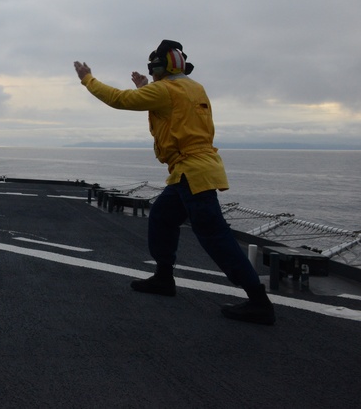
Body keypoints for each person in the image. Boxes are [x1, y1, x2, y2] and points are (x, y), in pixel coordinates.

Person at [73, 40, 275, 325]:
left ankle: (258, 301)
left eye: (153, 68)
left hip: (192, 173)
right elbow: (174, 112)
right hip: (192, 171)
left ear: (160, 68)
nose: (152, 72)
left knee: (215, 236)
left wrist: (87, 80)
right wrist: (146, 88)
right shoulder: (194, 88)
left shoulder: (165, 89)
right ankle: (164, 278)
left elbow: (119, 99)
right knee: (162, 218)